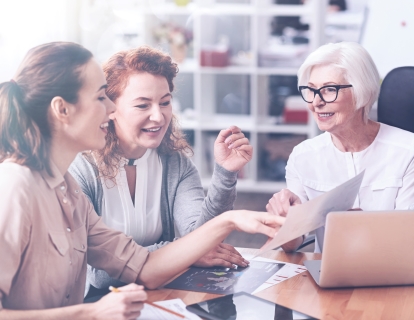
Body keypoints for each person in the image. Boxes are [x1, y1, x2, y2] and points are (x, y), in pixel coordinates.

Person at [0, 42, 284, 319]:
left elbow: (144, 267)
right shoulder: (14, 187)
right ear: (62, 109)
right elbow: (99, 280)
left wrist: (229, 220)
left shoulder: (67, 190)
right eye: (101, 97)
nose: (110, 109)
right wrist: (91, 313)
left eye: (165, 102)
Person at [68, 46, 253, 297]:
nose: (158, 116)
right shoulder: (81, 170)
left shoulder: (175, 163)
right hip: (99, 304)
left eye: (165, 102)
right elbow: (97, 274)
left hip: (156, 295)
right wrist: (184, 251)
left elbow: (201, 238)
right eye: (143, 105)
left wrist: (225, 174)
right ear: (111, 108)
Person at [266, 42, 414, 252]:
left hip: (391, 269)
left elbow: (409, 238)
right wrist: (284, 222)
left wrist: (367, 228)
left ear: (363, 92)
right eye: (311, 90)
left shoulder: (408, 149)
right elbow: (292, 245)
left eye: (329, 89)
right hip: (328, 272)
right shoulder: (303, 156)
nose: (316, 102)